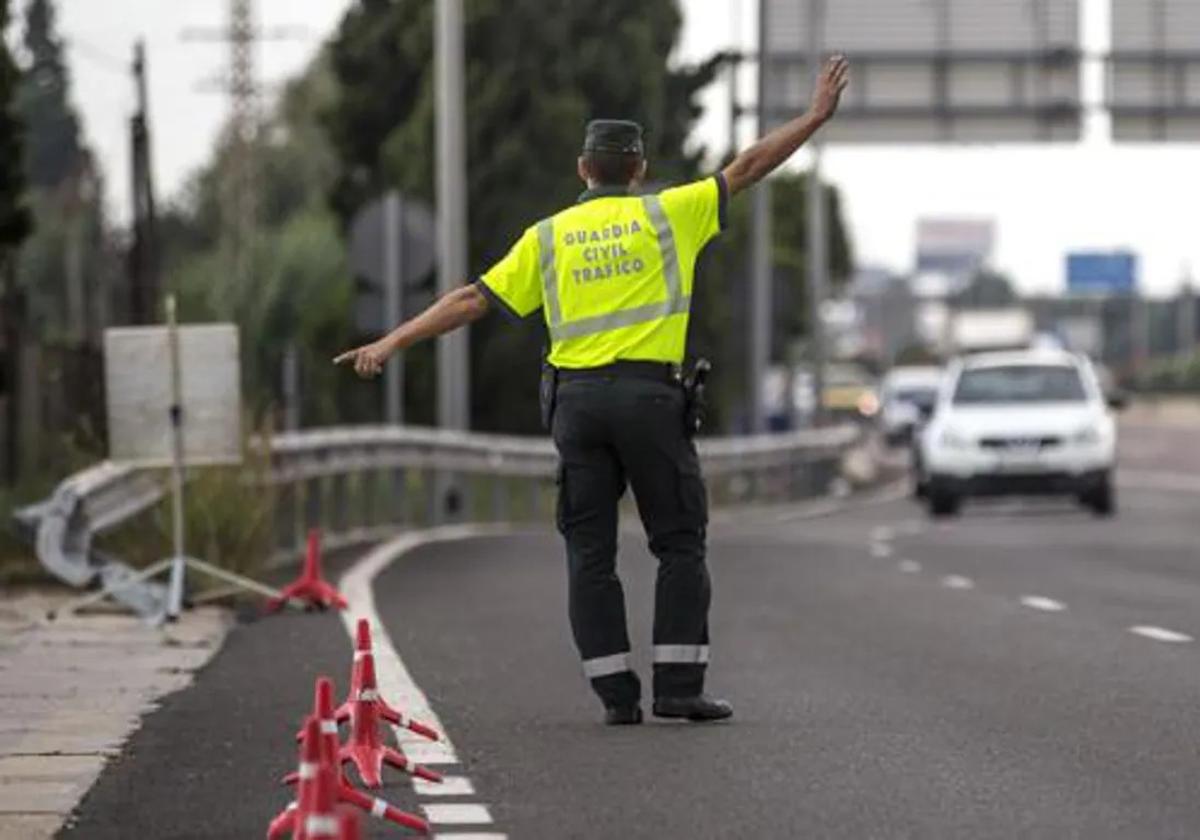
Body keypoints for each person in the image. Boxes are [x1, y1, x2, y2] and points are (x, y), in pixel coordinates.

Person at [335, 55, 850, 725]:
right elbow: (748, 167)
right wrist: (814, 116)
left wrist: (391, 341)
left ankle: (616, 697)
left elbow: (470, 300)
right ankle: (677, 688)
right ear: (638, 169)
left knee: (589, 552)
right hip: (650, 403)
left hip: (576, 407)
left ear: (583, 169)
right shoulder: (672, 213)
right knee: (679, 543)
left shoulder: (547, 237)